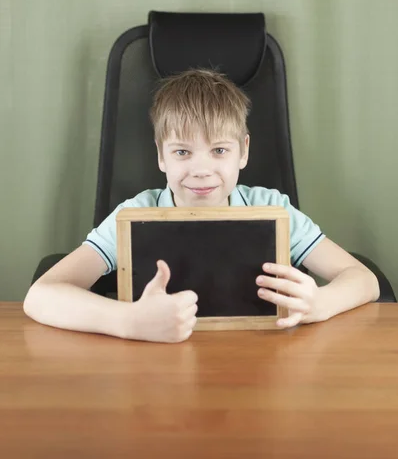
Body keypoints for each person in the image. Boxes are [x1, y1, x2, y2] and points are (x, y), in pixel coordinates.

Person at [24, 69, 379, 342]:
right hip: (156, 370)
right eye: (182, 152)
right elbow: (40, 296)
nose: (201, 169)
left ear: (244, 151)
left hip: (258, 363)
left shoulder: (274, 209)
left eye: (219, 150)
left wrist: (321, 304)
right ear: (161, 156)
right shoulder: (132, 216)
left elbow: (364, 280)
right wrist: (128, 321)